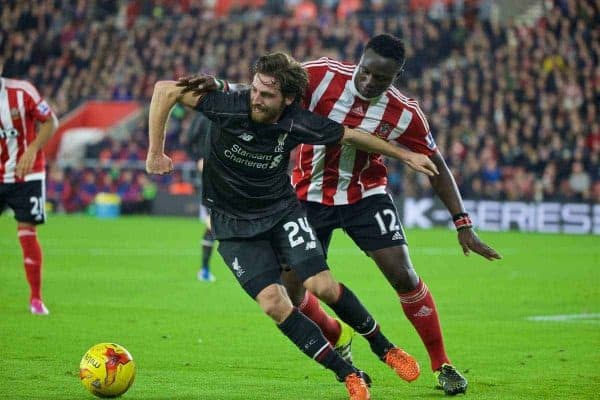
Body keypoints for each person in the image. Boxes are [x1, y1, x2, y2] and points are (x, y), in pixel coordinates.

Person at [178, 33, 502, 396]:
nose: (368, 81)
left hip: (366, 194)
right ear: (359, 60)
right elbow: (265, 90)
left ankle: (441, 363)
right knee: (290, 289)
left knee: (403, 273)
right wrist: (220, 84)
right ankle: (335, 333)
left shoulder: (406, 113)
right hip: (307, 194)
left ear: (396, 76)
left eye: (380, 78)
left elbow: (435, 163)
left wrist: (463, 223)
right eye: (365, 72)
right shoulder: (319, 75)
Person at [146, 52, 439, 400]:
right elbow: (165, 90)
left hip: (282, 212)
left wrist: (404, 155)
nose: (256, 98)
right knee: (274, 303)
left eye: (266, 95)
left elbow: (351, 136)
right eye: (255, 89)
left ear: (287, 99)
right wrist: (155, 152)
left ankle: (384, 348)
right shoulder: (227, 103)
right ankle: (347, 374)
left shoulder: (298, 121)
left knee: (322, 286)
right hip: (233, 223)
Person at [0, 62, 59, 315]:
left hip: (28, 173)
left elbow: (51, 122)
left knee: (27, 232)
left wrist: (32, 149)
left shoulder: (22, 91)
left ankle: (36, 299)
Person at [188, 114, 216, 282]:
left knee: (213, 223)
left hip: (229, 172)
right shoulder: (202, 116)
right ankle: (204, 269)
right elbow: (190, 140)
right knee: (211, 222)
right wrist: (197, 158)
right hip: (209, 171)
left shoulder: (231, 109)